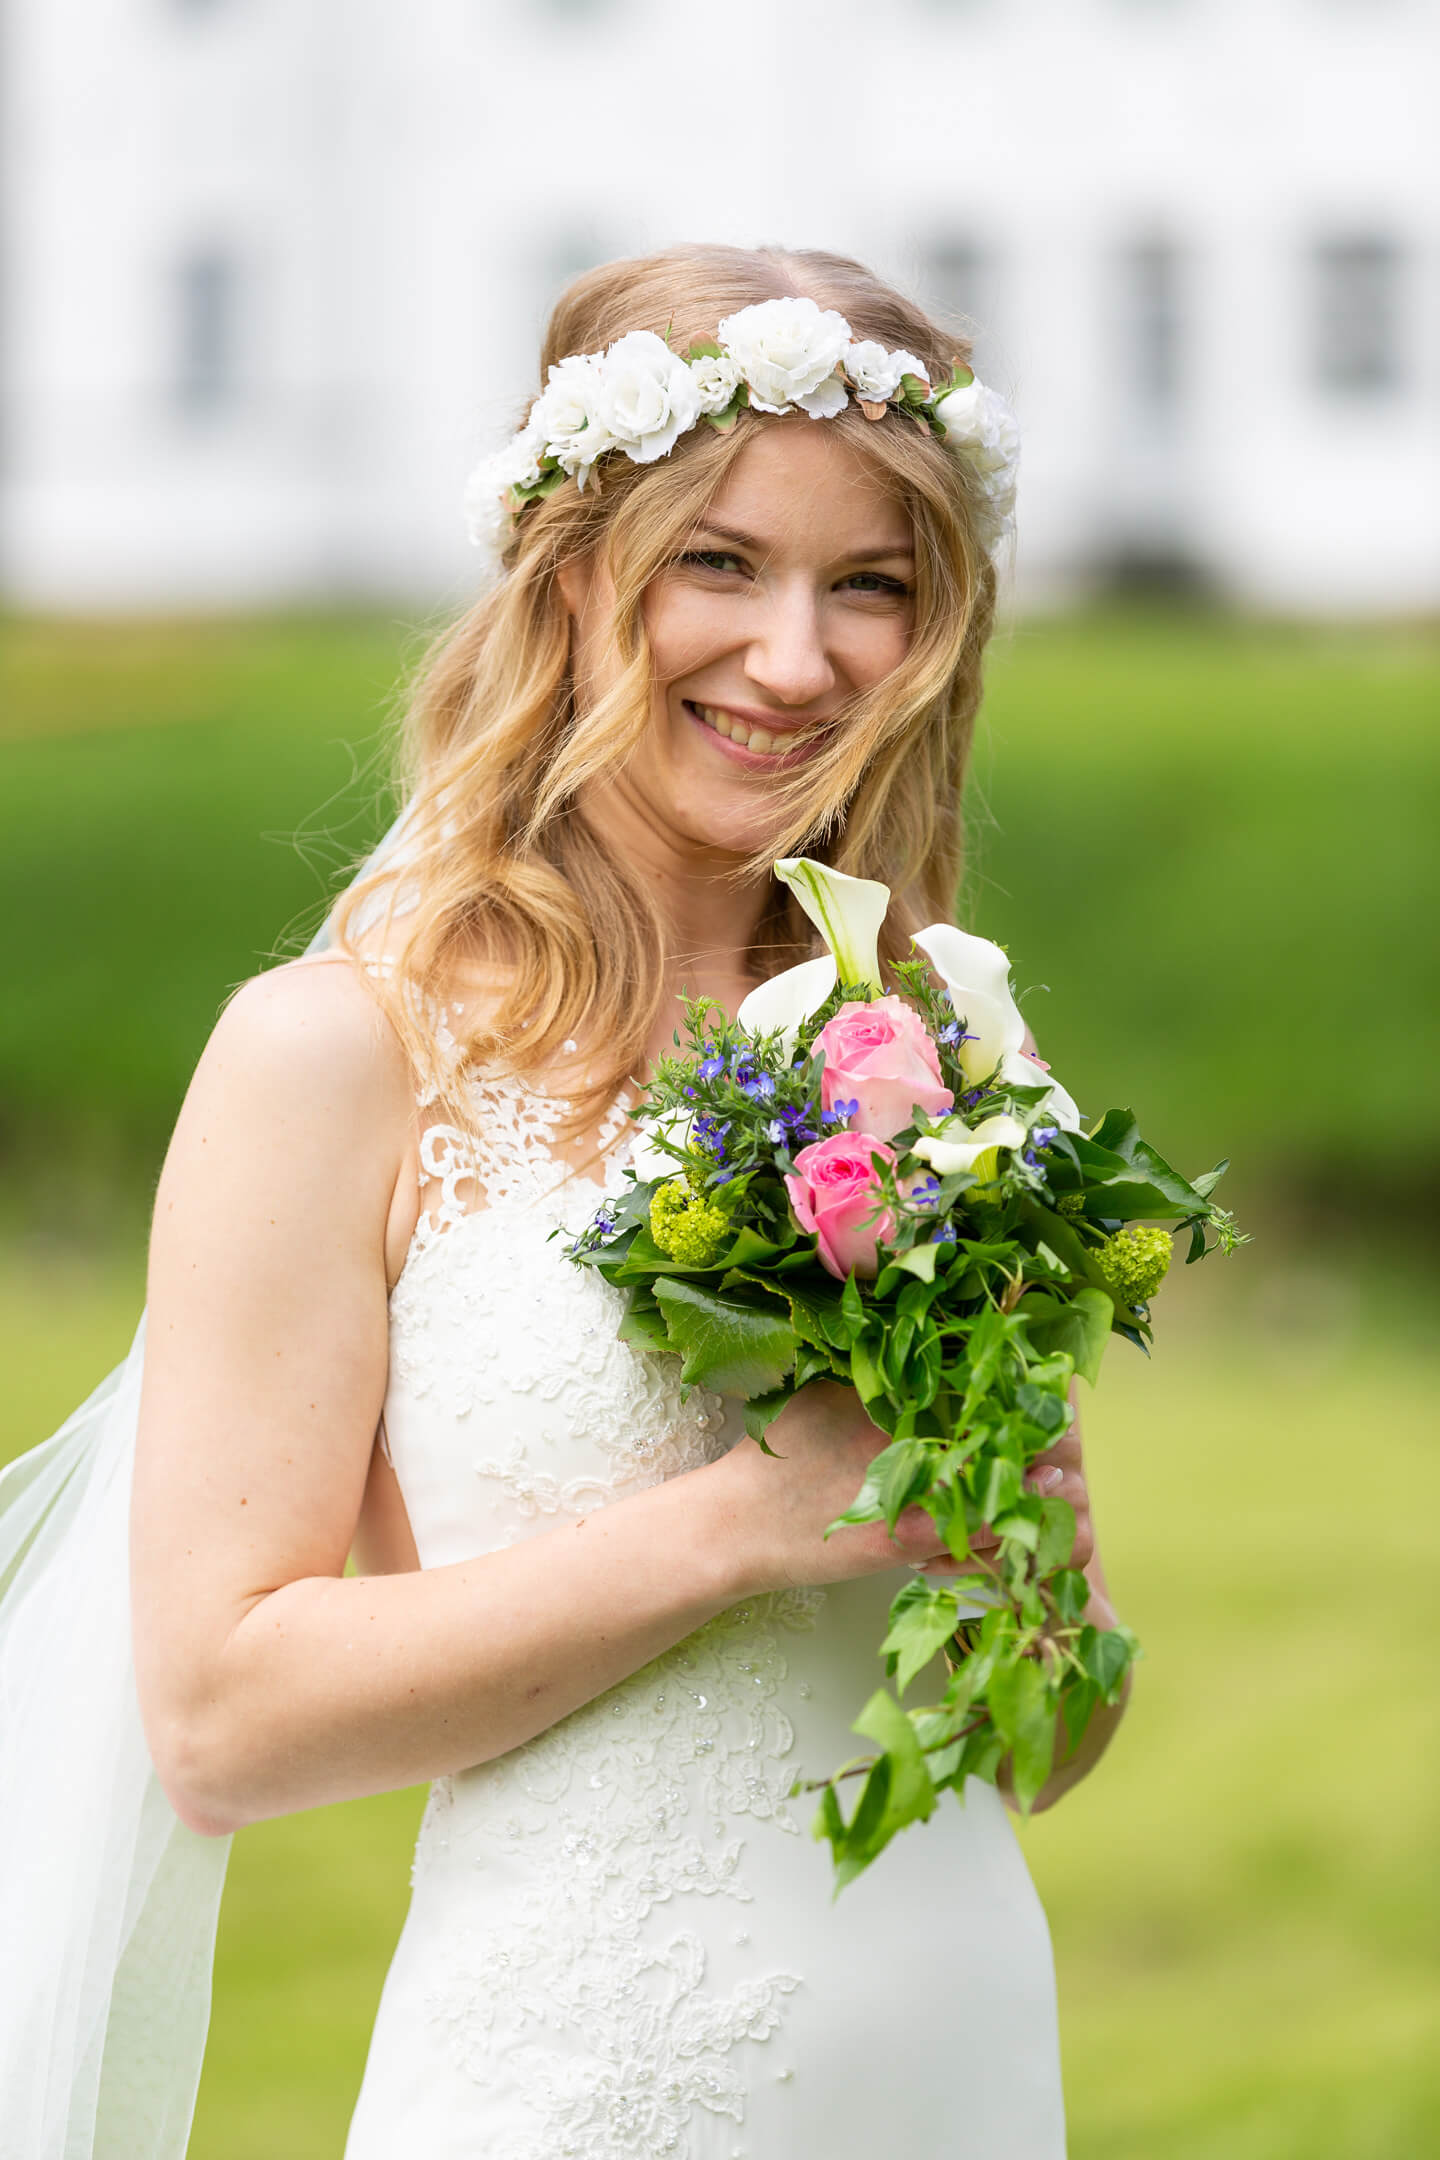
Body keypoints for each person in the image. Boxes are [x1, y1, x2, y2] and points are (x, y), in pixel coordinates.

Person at [4, 244, 1130, 2160]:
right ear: (570, 572)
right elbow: (215, 1716)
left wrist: (1033, 1567)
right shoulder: (337, 1058)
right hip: (594, 2081)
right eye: (724, 563)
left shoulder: (935, 1041)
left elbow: (1048, 1748)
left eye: (872, 584)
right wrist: (752, 1525)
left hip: (953, 2060)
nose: (799, 658)